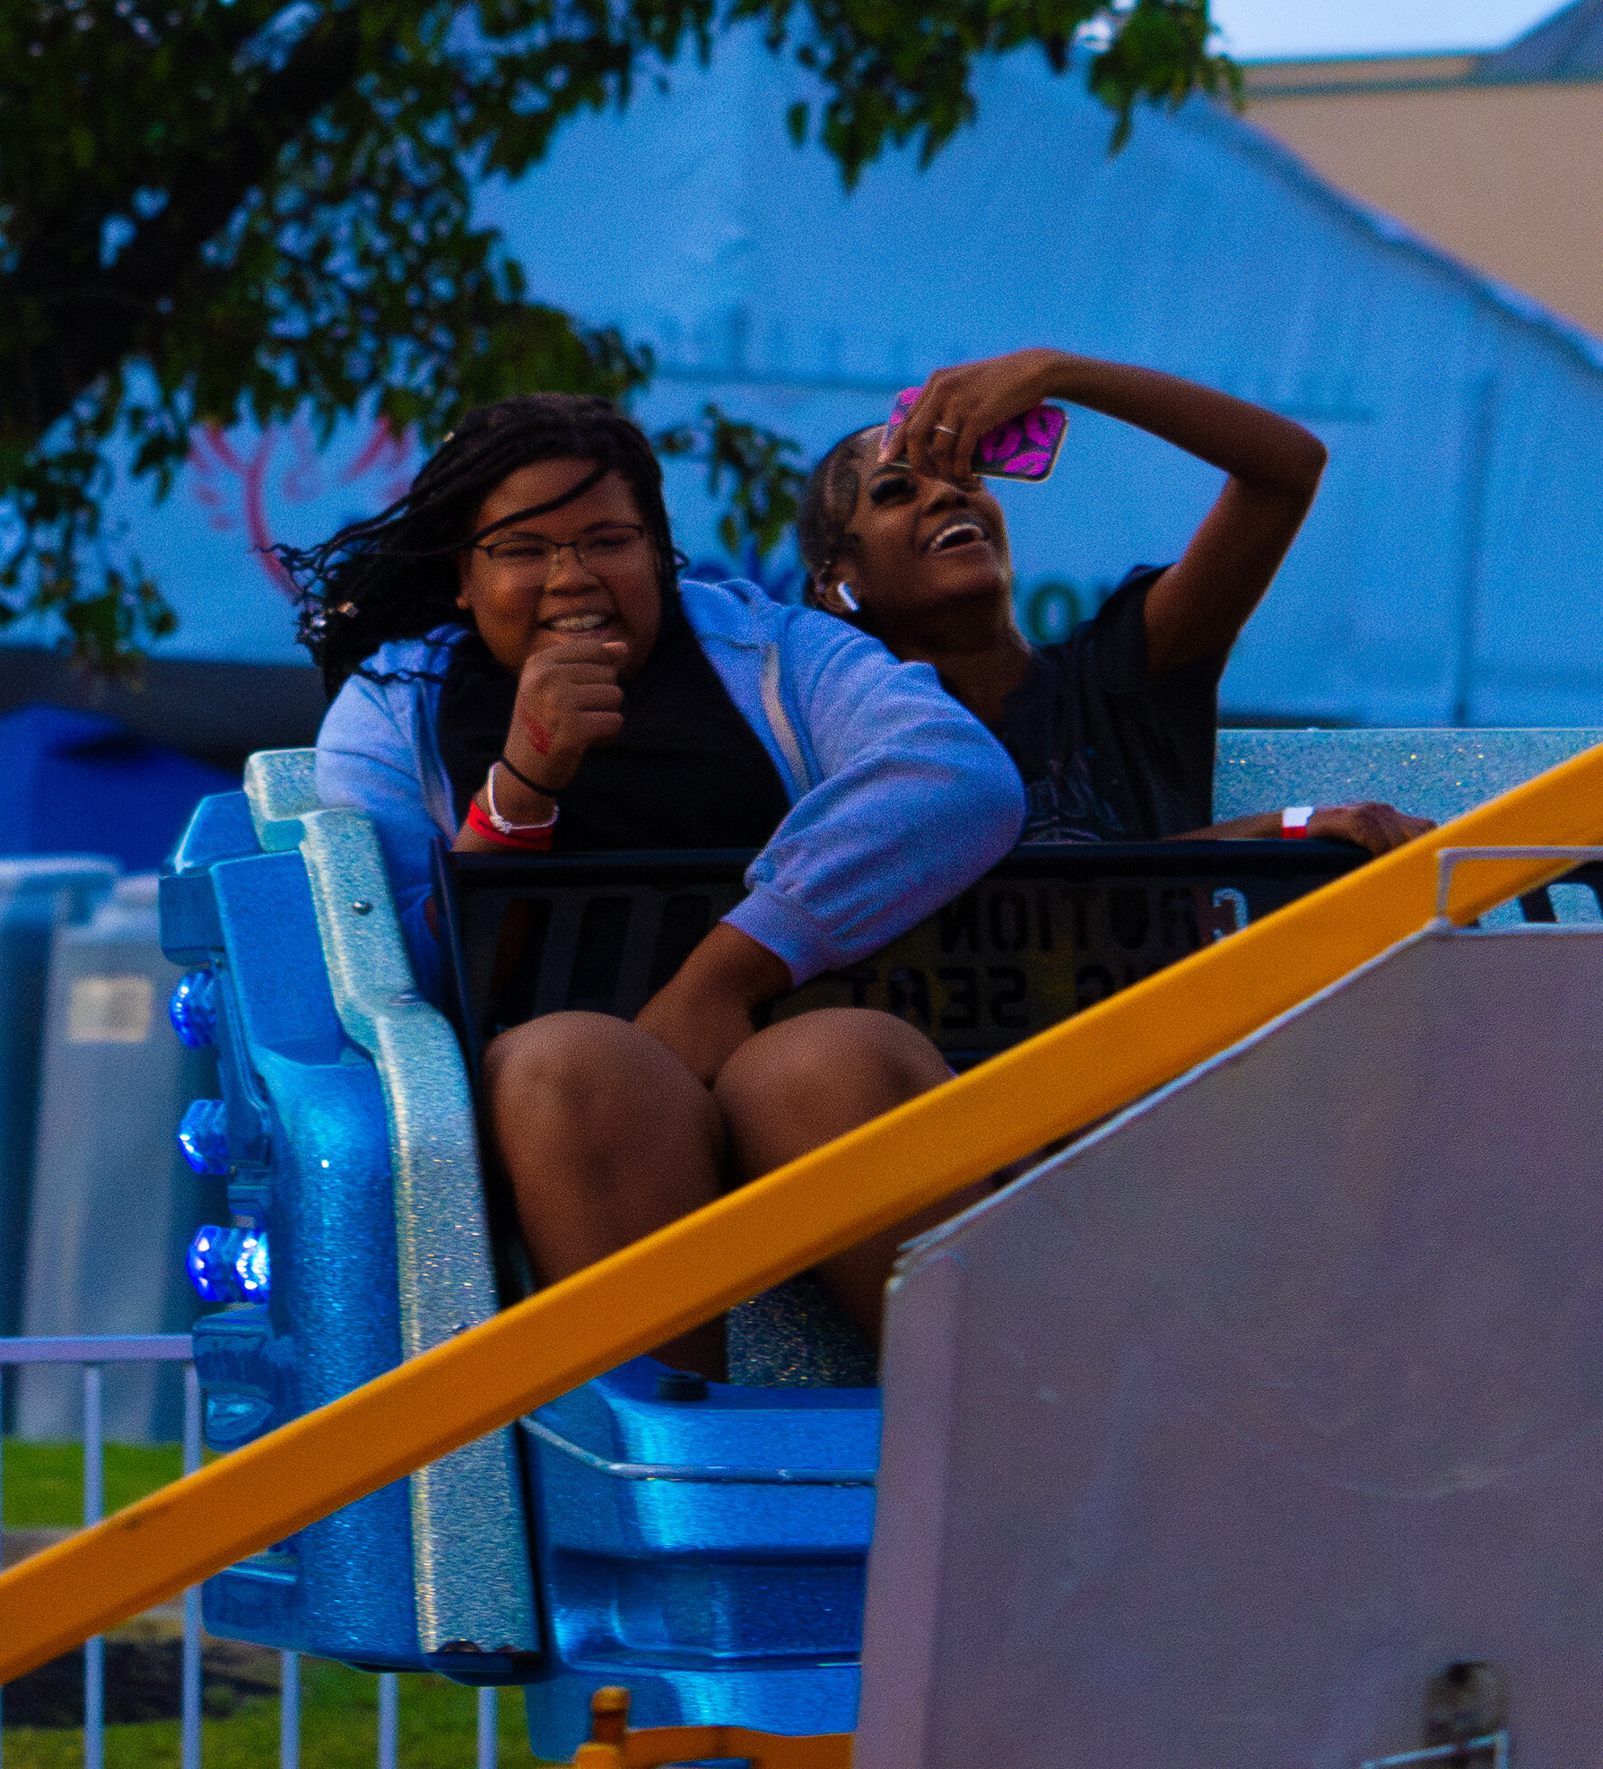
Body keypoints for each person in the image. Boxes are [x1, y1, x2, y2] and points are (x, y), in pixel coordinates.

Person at [292, 395, 1023, 1360]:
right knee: (575, 1064)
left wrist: (721, 980)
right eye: (522, 549)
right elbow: (394, 969)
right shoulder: (393, 706)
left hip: (785, 1049)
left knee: (826, 1065)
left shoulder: (771, 650)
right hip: (560, 1107)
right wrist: (520, 789)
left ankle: (1007, 1445)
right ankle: (675, 1472)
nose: (573, 579)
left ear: (660, 553)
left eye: (609, 541)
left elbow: (960, 776)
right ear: (462, 580)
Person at [793, 349, 1430, 849]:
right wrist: (1282, 827)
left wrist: (1059, 372)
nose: (947, 495)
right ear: (836, 585)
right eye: (895, 492)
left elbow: (1286, 470)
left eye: (964, 476)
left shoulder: (1117, 673)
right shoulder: (838, 749)